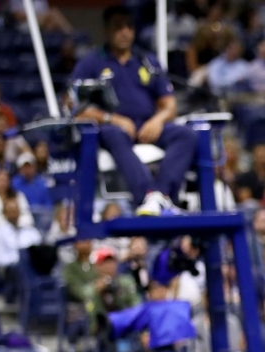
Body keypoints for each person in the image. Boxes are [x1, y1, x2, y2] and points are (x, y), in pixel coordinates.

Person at [71, 6, 197, 215]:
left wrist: (157, 120)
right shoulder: (91, 63)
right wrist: (113, 118)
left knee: (186, 135)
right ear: (107, 30)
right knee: (113, 134)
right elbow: (77, 109)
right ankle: (147, 195)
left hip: (147, 125)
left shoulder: (146, 61)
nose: (125, 32)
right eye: (118, 27)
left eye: (129, 26)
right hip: (113, 128)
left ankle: (161, 195)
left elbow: (170, 105)